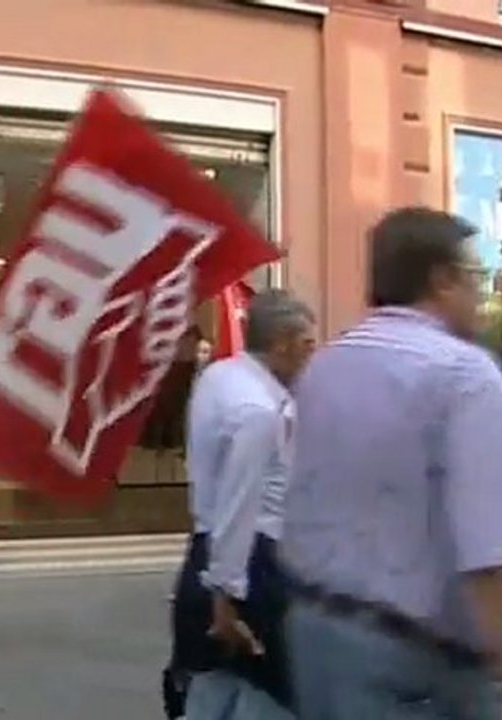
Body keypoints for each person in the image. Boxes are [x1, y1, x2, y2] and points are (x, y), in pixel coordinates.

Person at [280, 207, 502, 719]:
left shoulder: (326, 366)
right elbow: (490, 551)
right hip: (415, 664)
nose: (481, 295)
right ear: (442, 281)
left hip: (316, 636)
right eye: (475, 277)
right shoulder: (465, 375)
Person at [167, 290, 317, 720]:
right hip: (250, 561)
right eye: (307, 344)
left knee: (212, 689)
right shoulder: (258, 412)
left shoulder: (220, 377)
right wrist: (227, 596)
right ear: (282, 344)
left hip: (210, 552)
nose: (313, 355)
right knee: (271, 694)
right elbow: (239, 506)